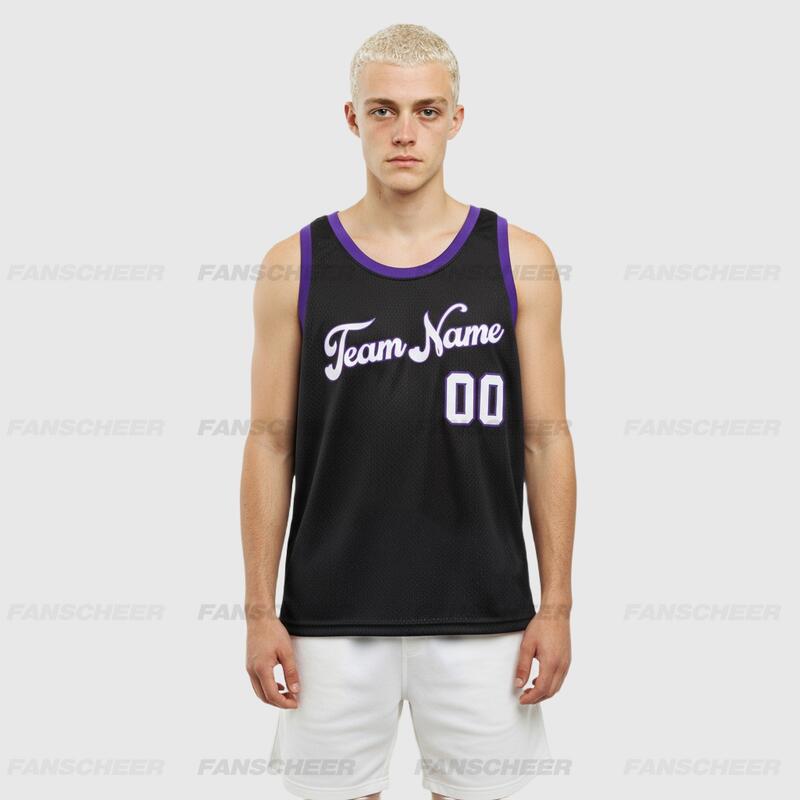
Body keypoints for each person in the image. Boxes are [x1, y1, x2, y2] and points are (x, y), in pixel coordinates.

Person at [240, 22, 576, 800]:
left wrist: (556, 606)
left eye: (426, 111)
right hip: (329, 615)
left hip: (484, 613)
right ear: (352, 118)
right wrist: (259, 611)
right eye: (383, 111)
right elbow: (268, 444)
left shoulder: (518, 258)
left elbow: (546, 440)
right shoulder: (294, 265)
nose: (404, 133)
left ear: (456, 118)